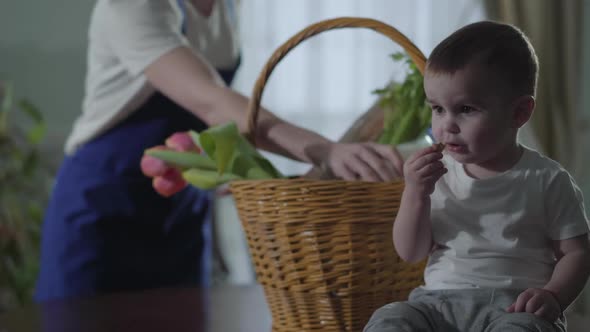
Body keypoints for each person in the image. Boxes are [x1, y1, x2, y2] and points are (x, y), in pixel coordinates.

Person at [35, 0, 404, 301]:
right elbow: (210, 100)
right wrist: (323, 150)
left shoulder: (228, 8)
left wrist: (243, 168)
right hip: (102, 205)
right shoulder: (131, 8)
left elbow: (220, 121)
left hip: (179, 209)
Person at [364, 21, 590, 332]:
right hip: (435, 304)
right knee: (391, 319)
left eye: (466, 109)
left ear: (519, 113)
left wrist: (553, 296)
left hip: (513, 306)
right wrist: (414, 193)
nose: (447, 125)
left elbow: (576, 254)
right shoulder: (435, 175)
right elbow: (411, 252)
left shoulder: (547, 179)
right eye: (438, 109)